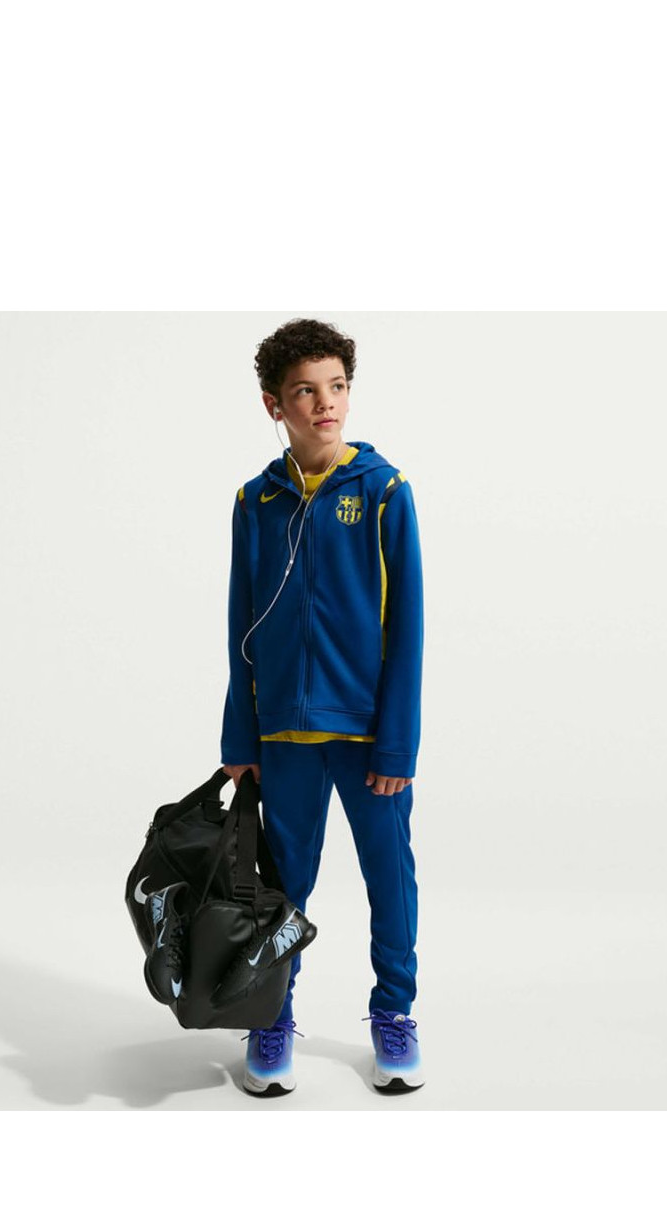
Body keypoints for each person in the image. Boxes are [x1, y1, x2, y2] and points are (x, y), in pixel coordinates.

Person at [220, 317, 425, 1098]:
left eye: (336, 386)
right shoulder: (255, 502)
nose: (325, 403)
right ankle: (272, 1017)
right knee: (282, 892)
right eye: (305, 391)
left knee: (389, 882)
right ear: (275, 405)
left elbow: (407, 630)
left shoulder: (385, 493)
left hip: (369, 737)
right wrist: (240, 736)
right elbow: (239, 627)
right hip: (284, 738)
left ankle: (394, 1013)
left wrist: (396, 746)